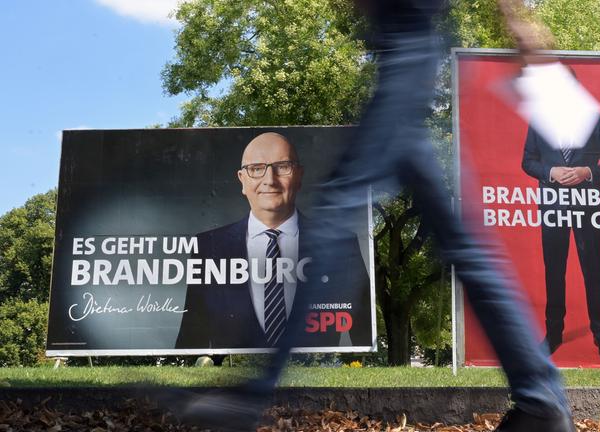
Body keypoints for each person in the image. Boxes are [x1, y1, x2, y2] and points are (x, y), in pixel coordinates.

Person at [176, 2, 575, 431]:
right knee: (465, 248)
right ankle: (540, 398)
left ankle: (252, 395)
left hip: (407, 51)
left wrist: (516, 18)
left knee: (332, 218)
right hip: (405, 53)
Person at [174, 132, 371, 350]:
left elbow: (363, 334)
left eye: (282, 166)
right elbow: (190, 342)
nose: (269, 180)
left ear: (299, 175)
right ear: (242, 179)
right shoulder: (207, 246)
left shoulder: (340, 244)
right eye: (256, 169)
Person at [522, 114, 600, 362]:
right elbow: (527, 162)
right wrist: (550, 171)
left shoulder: (595, 120)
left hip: (588, 207)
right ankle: (553, 334)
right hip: (553, 207)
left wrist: (587, 172)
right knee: (554, 272)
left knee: (593, 272)